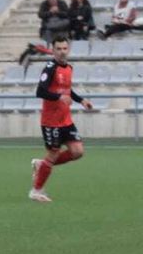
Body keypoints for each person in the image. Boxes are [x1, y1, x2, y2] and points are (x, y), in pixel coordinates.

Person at [28, 35, 94, 204]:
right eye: (59, 49)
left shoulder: (69, 68)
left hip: (65, 119)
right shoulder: (50, 68)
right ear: (53, 49)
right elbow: (40, 92)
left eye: (65, 48)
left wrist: (81, 100)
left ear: (68, 49)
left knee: (77, 152)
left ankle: (41, 165)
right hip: (51, 121)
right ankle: (36, 190)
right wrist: (58, 97)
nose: (62, 52)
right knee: (53, 153)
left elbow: (67, 90)